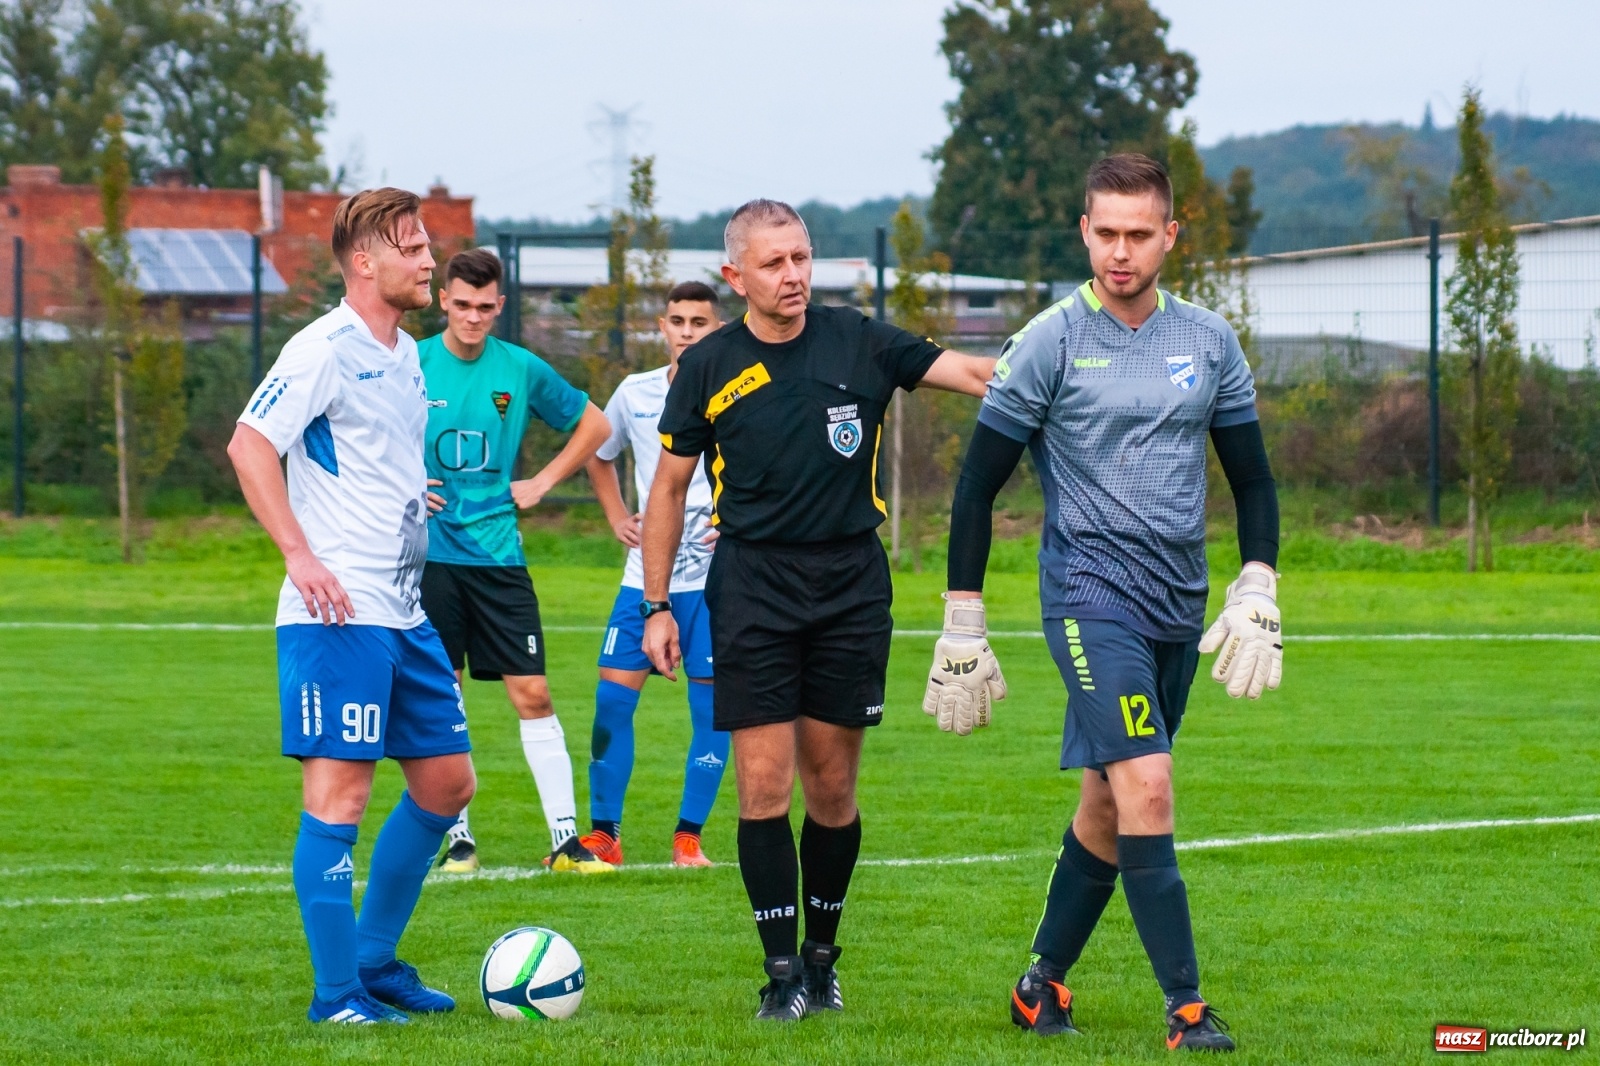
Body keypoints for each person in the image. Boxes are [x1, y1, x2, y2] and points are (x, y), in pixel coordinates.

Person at [925, 153, 1282, 1052]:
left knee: (1108, 803)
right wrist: (962, 618)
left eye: (1138, 234)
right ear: (1084, 231)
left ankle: (1038, 984)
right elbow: (975, 489)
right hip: (1089, 598)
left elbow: (1253, 478)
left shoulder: (1209, 342)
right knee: (1150, 784)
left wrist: (1259, 583)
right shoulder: (1048, 340)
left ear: (1170, 235)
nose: (1120, 252)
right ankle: (1187, 1008)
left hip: (1177, 603)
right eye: (1105, 233)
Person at [641, 199, 997, 1022]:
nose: (793, 275)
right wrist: (656, 606)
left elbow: (977, 376)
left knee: (831, 789)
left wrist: (1066, 364)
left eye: (802, 257)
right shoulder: (708, 365)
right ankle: (779, 976)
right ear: (737, 276)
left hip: (849, 589)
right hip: (753, 588)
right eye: (773, 263)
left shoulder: (859, 340)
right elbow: (667, 489)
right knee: (761, 787)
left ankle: (822, 958)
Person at [228, 188, 476, 1024]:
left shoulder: (405, 354)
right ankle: (336, 997)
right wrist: (300, 556)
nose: (428, 262)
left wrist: (413, 492)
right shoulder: (322, 347)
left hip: (404, 612)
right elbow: (249, 444)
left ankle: (373, 962)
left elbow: (367, 455)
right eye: (411, 249)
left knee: (448, 785)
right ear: (364, 261)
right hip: (339, 614)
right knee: (340, 798)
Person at [416, 247, 615, 876]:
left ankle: (565, 842)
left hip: (500, 559)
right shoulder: (409, 363)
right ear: (443, 299)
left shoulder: (520, 369)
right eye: (462, 305)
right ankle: (458, 842)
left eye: (485, 307)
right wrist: (402, 483)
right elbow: (363, 432)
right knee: (439, 696)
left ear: (499, 307)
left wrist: (542, 482)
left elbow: (596, 425)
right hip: (429, 560)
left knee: (532, 693)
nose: (473, 317)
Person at [578, 281, 728, 869]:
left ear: (718, 328)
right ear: (662, 328)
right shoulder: (635, 393)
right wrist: (617, 514)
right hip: (646, 580)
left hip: (716, 584)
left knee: (712, 713)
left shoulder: (740, 391)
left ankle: (688, 839)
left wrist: (738, 520)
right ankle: (604, 838)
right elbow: (598, 451)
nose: (687, 331)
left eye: (699, 321)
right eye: (677, 320)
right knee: (611, 704)